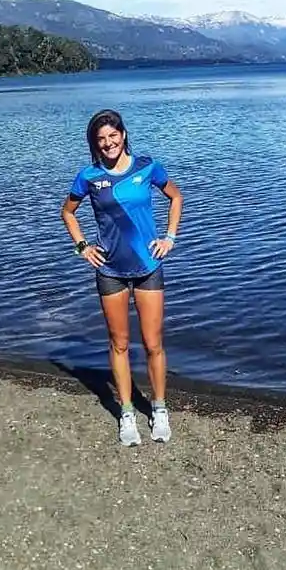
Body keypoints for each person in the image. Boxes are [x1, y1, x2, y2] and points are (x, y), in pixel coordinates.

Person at [61, 108, 183, 446]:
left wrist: (169, 237)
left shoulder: (147, 167)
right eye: (101, 140)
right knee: (119, 343)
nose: (108, 143)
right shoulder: (88, 177)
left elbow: (176, 196)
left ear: (123, 135)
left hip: (148, 266)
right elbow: (67, 212)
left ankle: (159, 409)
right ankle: (127, 413)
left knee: (153, 343)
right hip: (110, 269)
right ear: (95, 144)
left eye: (113, 136)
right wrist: (82, 247)